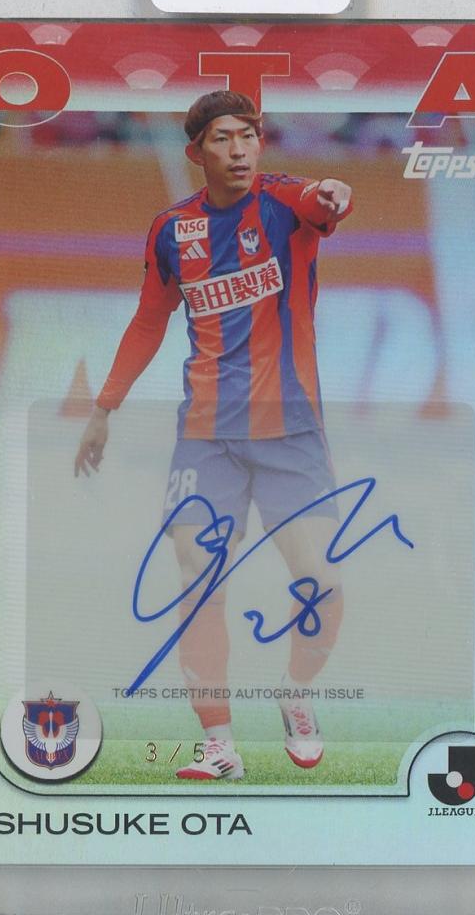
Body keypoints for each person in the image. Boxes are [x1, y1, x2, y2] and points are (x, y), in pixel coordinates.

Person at [75, 91, 353, 780]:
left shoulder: (284, 203)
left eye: (248, 136)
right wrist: (104, 408)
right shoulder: (172, 230)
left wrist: (334, 193)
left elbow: (324, 202)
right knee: (198, 582)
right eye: (223, 138)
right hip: (205, 438)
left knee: (321, 581)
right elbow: (149, 320)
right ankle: (219, 742)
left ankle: (295, 693)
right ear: (195, 151)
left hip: (291, 432)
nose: (238, 149)